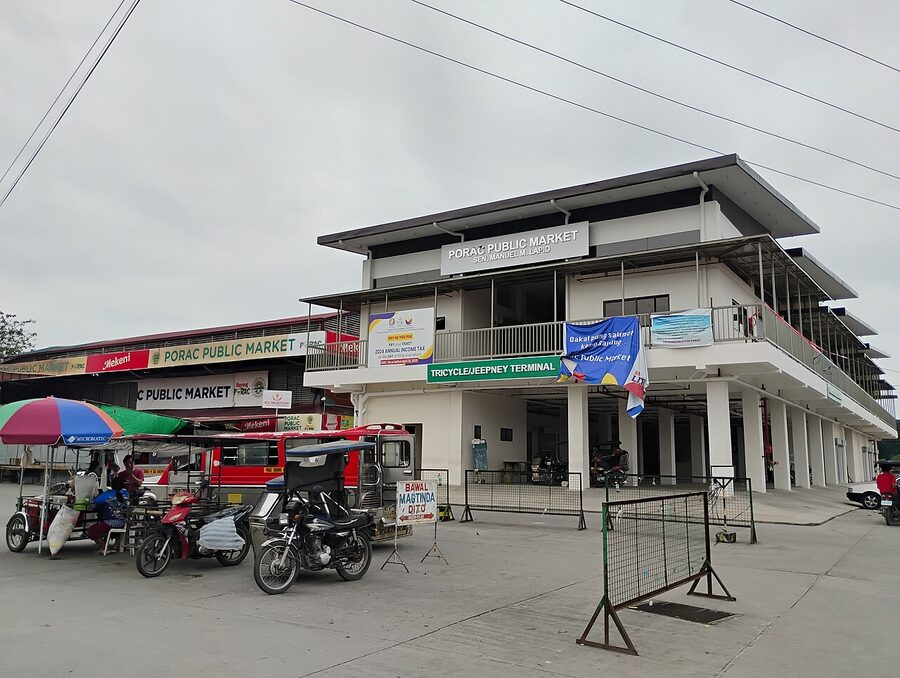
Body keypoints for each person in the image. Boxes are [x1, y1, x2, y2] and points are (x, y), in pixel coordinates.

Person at [87, 477, 129, 554]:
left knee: (92, 530)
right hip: (125, 523)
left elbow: (94, 501)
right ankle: (116, 544)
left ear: (112, 485)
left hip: (112, 523)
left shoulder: (107, 495)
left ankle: (103, 547)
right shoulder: (126, 493)